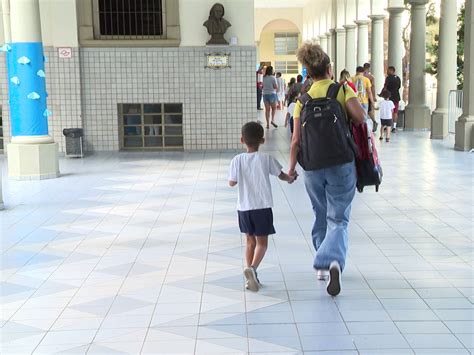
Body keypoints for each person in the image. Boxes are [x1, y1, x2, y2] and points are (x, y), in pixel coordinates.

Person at [289, 43, 365, 296]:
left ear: (308, 73)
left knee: (320, 213)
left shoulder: (303, 99)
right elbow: (360, 118)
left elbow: (296, 140)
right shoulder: (342, 90)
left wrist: (291, 169)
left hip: (312, 165)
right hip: (341, 162)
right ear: (330, 68)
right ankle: (332, 261)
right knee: (339, 217)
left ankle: (322, 266)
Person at [229, 122, 296, 292]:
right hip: (262, 207)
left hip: (243, 208)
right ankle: (253, 269)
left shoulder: (237, 160)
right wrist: (291, 178)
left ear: (242, 140)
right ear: (263, 140)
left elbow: (232, 182)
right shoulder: (266, 159)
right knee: (262, 244)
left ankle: (250, 276)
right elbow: (281, 176)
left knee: (250, 242)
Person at [383, 66, 402, 132]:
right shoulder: (398, 78)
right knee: (395, 112)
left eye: (388, 70)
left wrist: (382, 94)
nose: (387, 72)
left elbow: (385, 87)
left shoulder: (388, 78)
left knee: (388, 111)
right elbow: (399, 87)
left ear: (392, 71)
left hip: (389, 97)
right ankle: (394, 127)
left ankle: (387, 126)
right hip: (396, 97)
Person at [363, 63, 377, 128]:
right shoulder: (371, 77)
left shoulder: (361, 76)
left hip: (362, 95)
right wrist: (374, 97)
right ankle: (374, 121)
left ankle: (368, 123)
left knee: (368, 110)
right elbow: (373, 87)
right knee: (369, 110)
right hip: (368, 95)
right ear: (369, 68)